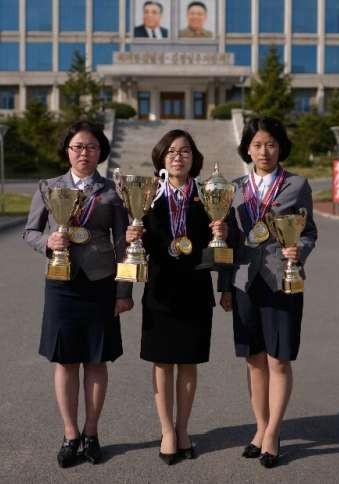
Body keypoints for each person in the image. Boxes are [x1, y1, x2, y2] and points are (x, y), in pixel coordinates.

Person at [23, 120, 134, 468]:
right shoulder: (48, 187)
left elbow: (124, 244)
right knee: (66, 360)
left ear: (101, 152)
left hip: (101, 283)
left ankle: (91, 433)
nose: (84, 153)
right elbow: (29, 232)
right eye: (77, 146)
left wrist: (124, 290)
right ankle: (70, 434)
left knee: (96, 360)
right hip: (62, 284)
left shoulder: (114, 191)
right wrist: (48, 241)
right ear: (67, 150)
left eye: (91, 147)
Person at [219, 117, 318, 469]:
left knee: (279, 359)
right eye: (258, 145)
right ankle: (260, 427)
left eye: (271, 144)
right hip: (244, 282)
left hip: (282, 280)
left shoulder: (297, 184)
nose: (265, 151)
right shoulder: (234, 189)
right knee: (254, 359)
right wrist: (224, 287)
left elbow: (309, 231)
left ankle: (273, 432)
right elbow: (228, 243)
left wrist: (299, 249)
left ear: (280, 148)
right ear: (247, 148)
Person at [125, 129, 228, 465]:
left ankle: (183, 428)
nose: (178, 157)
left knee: (188, 362)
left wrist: (226, 280)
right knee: (162, 362)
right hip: (159, 290)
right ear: (161, 157)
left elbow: (223, 248)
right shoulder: (148, 195)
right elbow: (134, 249)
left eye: (184, 151)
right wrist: (132, 236)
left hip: (195, 289)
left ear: (194, 158)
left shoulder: (209, 194)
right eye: (171, 151)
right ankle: (166, 430)